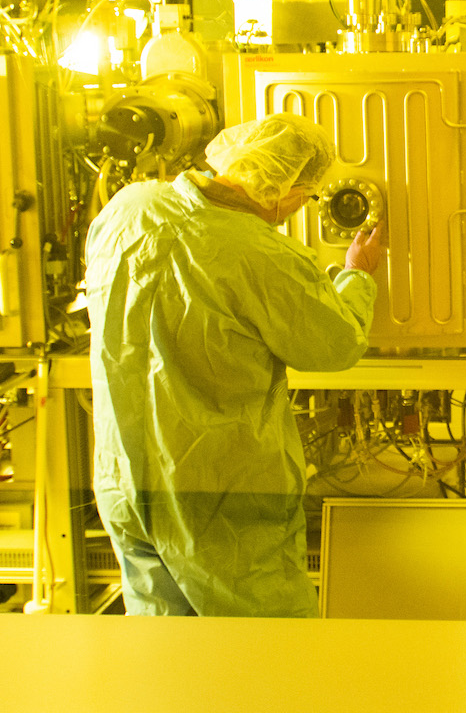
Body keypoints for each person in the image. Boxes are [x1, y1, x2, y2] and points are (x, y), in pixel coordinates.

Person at [83, 113, 385, 617]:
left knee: (168, 663)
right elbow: (333, 346)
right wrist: (357, 275)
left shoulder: (127, 207)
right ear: (288, 190)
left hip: (123, 482)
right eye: (307, 196)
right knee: (269, 663)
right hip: (217, 496)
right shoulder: (259, 251)